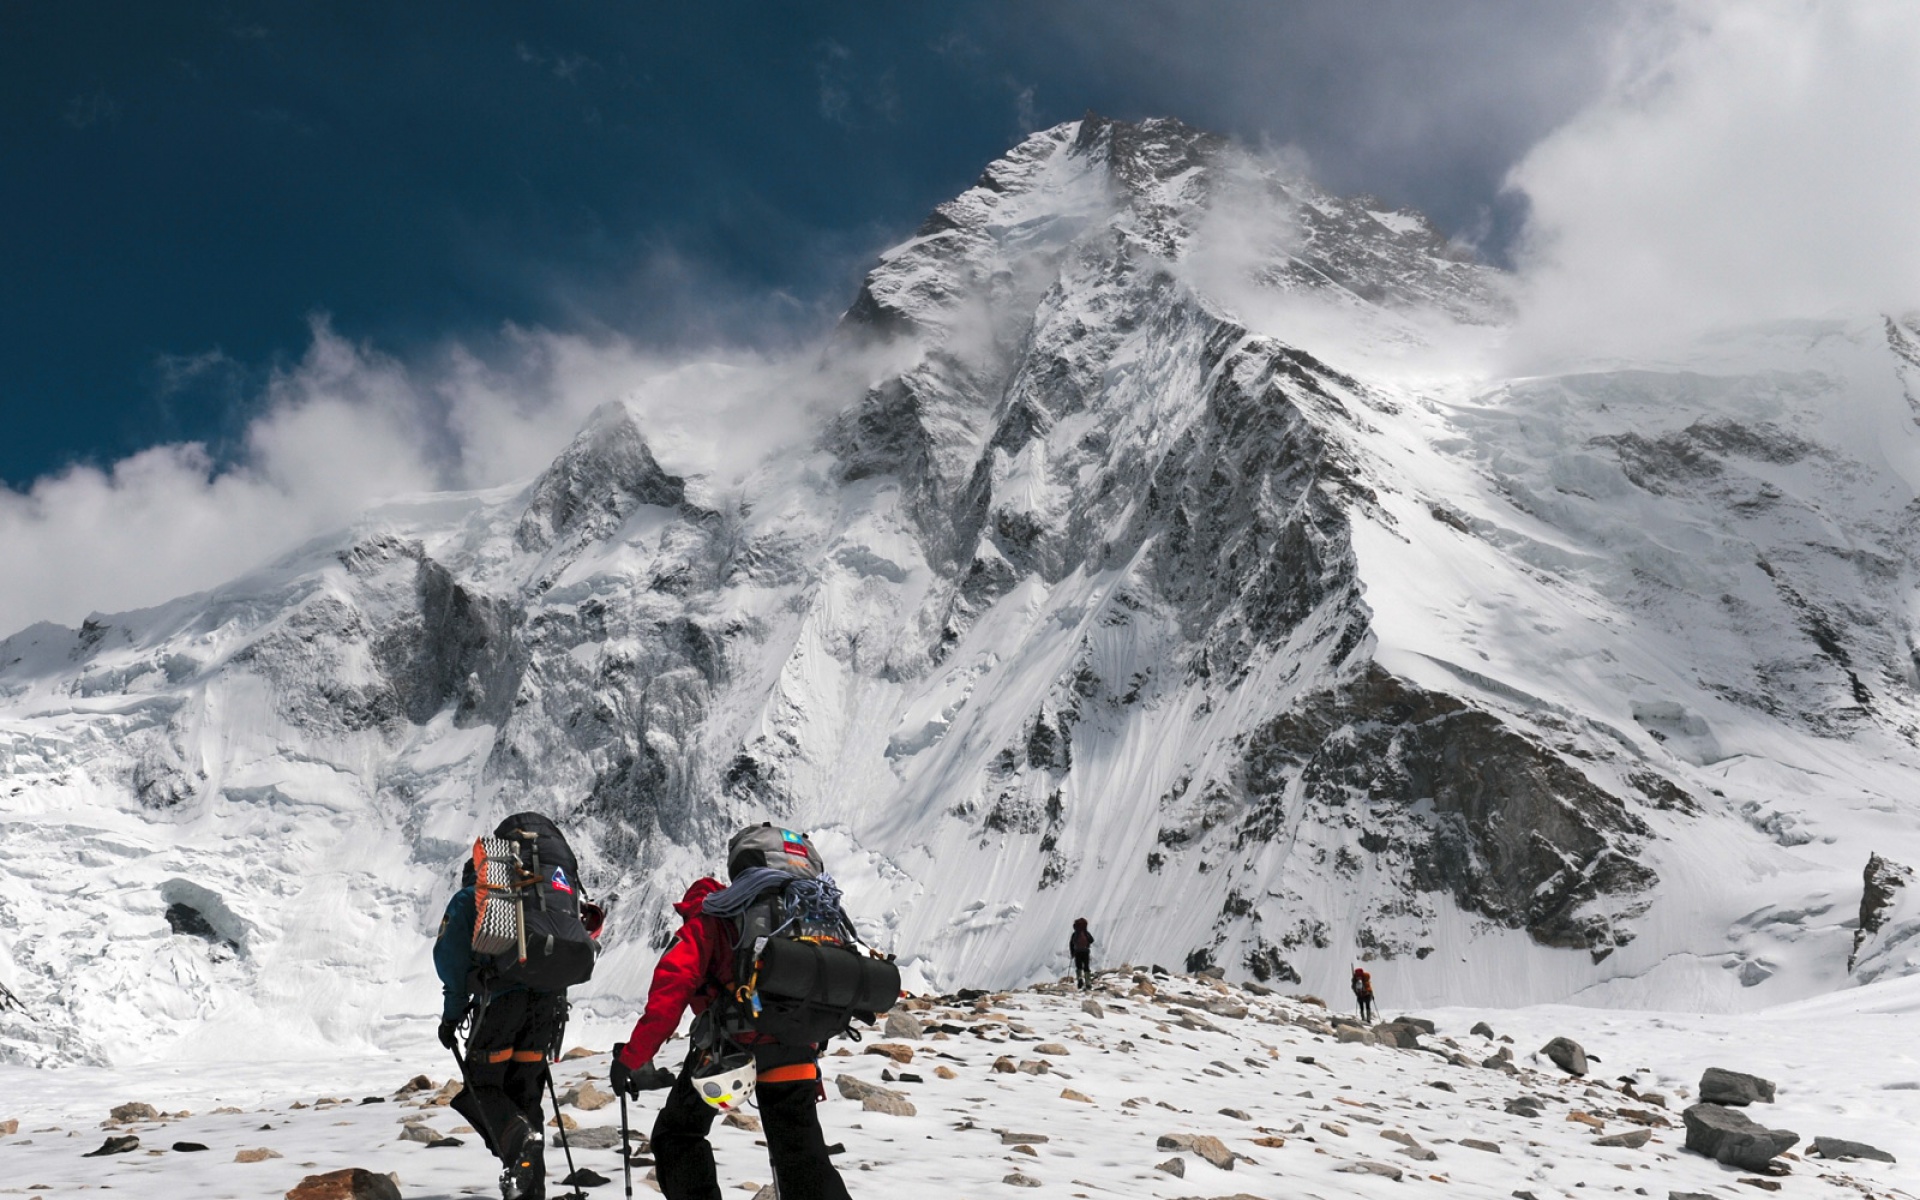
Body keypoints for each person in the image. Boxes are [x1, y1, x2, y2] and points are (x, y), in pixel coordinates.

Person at [608, 828, 855, 1200]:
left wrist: (632, 1059)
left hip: (730, 1053)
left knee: (678, 1135)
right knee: (802, 1157)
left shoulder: (712, 915)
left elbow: (669, 994)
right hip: (797, 1045)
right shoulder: (797, 910)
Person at [435, 812, 599, 1200]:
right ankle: (530, 1191)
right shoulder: (558, 894)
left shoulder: (476, 898)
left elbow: (452, 962)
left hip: (501, 1008)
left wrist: (451, 1016)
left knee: (483, 1086)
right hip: (547, 1012)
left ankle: (518, 1143)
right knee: (526, 1096)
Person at [1069, 918, 1095, 990]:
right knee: (1086, 967)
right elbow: (1092, 940)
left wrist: (1072, 953)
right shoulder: (1086, 933)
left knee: (1079, 967)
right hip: (1085, 951)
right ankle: (1088, 983)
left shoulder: (1075, 934)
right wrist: (1087, 944)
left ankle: (1079, 979)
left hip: (1077, 952)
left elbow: (1071, 943)